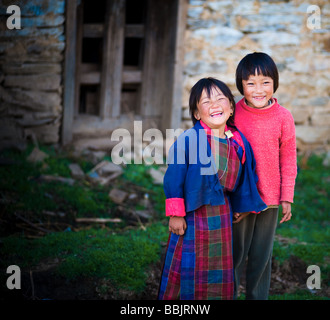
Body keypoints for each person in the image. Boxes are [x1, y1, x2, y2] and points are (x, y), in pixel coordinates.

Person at [158, 77, 267, 300]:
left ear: (231, 106)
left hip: (222, 215)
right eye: (206, 102)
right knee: (189, 264)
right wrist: (176, 214)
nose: (215, 105)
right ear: (197, 114)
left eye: (220, 99)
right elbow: (174, 178)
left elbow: (246, 176)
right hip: (193, 216)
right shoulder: (189, 139)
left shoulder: (238, 141)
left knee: (217, 268)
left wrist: (240, 206)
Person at [233, 52, 297, 300]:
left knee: (262, 255)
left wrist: (286, 195)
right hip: (241, 199)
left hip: (270, 199)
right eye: (250, 83)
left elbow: (288, 158)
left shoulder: (283, 117)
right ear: (241, 86)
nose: (258, 90)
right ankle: (229, 294)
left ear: (275, 83)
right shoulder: (233, 113)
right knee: (236, 253)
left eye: (265, 82)